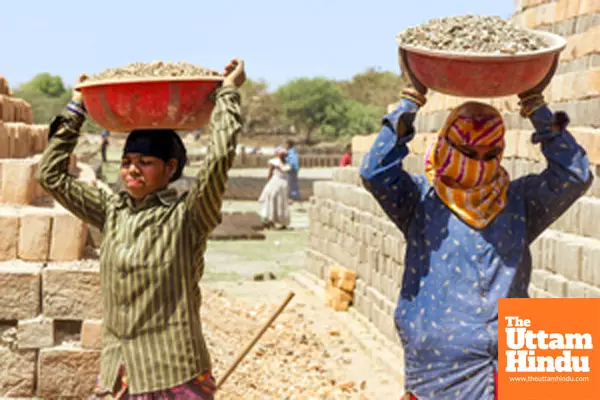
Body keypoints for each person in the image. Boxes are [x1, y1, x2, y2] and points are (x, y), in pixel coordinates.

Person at [361, 51, 592, 400]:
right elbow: (375, 172)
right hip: (438, 372)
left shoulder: (519, 200)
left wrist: (535, 105)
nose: (479, 167)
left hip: (515, 360)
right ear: (445, 147)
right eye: (469, 155)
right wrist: (411, 100)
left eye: (490, 155)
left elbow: (575, 175)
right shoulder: (419, 202)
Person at [37, 59, 247, 400]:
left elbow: (219, 158)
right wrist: (77, 106)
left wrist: (227, 94)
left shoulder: (189, 215)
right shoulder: (111, 211)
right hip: (119, 372)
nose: (132, 170)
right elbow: (51, 176)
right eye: (126, 162)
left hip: (174, 373)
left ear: (170, 168)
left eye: (145, 163)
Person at [258, 146, 292, 229]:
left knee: (281, 201)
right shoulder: (273, 162)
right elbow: (269, 174)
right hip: (275, 183)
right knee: (272, 200)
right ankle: (270, 221)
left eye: (284, 154)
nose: (283, 156)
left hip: (283, 184)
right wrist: (268, 183)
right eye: (281, 154)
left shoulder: (287, 164)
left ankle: (281, 221)